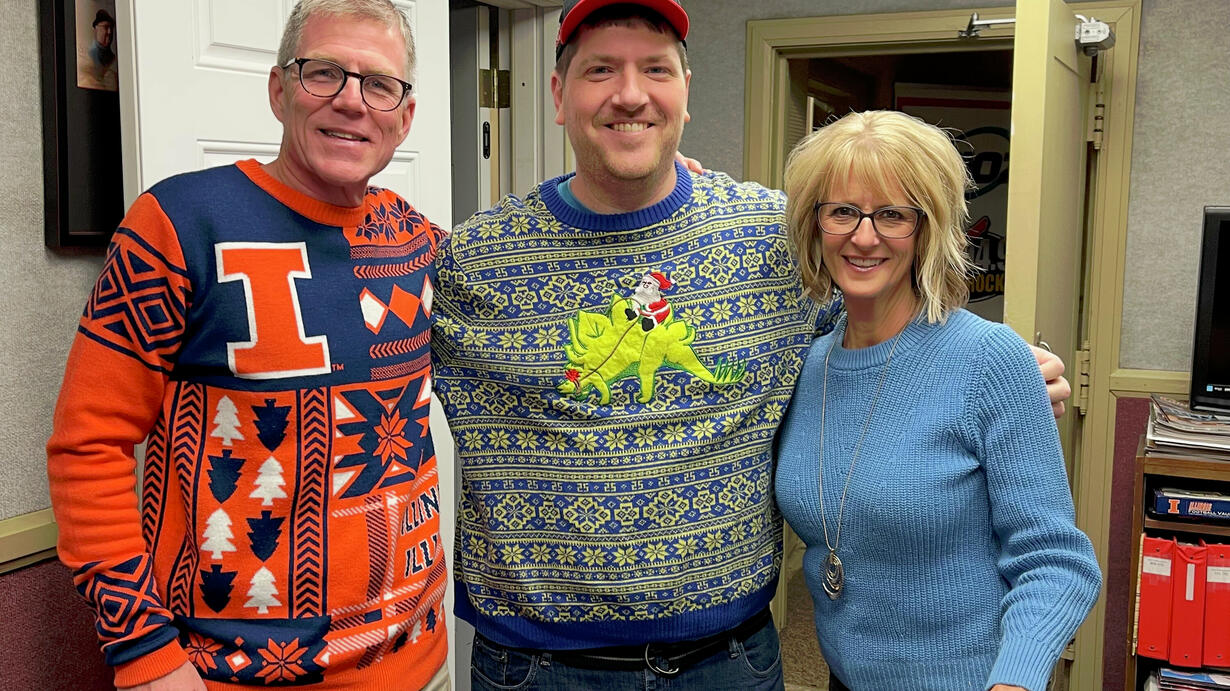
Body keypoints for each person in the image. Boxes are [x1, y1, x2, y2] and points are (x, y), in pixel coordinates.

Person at [431, 2, 1072, 690]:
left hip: (729, 661)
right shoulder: (473, 259)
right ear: (559, 95)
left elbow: (882, 317)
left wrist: (1005, 371)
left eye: (655, 70)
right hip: (536, 667)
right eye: (600, 70)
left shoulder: (771, 234)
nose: (631, 94)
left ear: (685, 92)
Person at [46, 1, 449, 689]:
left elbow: (535, 305)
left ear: (404, 118)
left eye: (379, 84)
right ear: (279, 90)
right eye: (324, 72)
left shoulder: (420, 243)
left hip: (419, 662)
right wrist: (143, 652)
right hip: (226, 675)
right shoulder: (178, 223)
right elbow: (88, 445)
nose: (352, 101)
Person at [774, 110, 1102, 691]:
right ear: (814, 224)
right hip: (844, 677)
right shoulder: (809, 362)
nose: (864, 237)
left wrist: (1013, 682)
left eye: (893, 215)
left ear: (928, 229)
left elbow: (1056, 561)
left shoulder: (990, 360)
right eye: (842, 211)